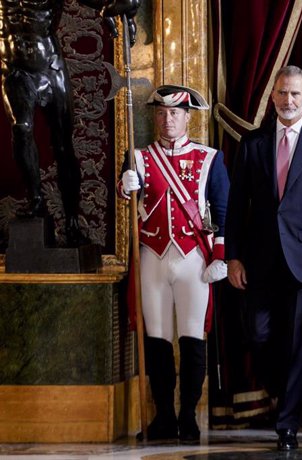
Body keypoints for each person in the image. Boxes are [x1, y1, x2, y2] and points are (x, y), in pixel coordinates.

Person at [225, 65, 302, 451]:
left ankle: (287, 424)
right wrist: (234, 257)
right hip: (258, 260)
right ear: (272, 97)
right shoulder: (252, 144)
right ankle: (279, 389)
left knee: (297, 342)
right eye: (281, 93)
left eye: (295, 94)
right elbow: (237, 204)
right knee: (258, 334)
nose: (288, 100)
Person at [118, 84, 230, 443]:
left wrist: (220, 255)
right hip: (151, 256)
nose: (169, 120)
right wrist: (124, 184)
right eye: (162, 114)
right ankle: (163, 415)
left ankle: (189, 417)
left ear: (187, 118)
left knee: (193, 338)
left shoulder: (209, 157)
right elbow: (123, 198)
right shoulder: (138, 156)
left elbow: (222, 210)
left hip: (193, 259)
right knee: (157, 340)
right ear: (156, 117)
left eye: (176, 114)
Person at [0, 0, 139, 246]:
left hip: (50, 67)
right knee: (21, 128)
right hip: (14, 69)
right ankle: (36, 202)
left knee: (63, 145)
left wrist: (120, 8)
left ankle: (72, 220)